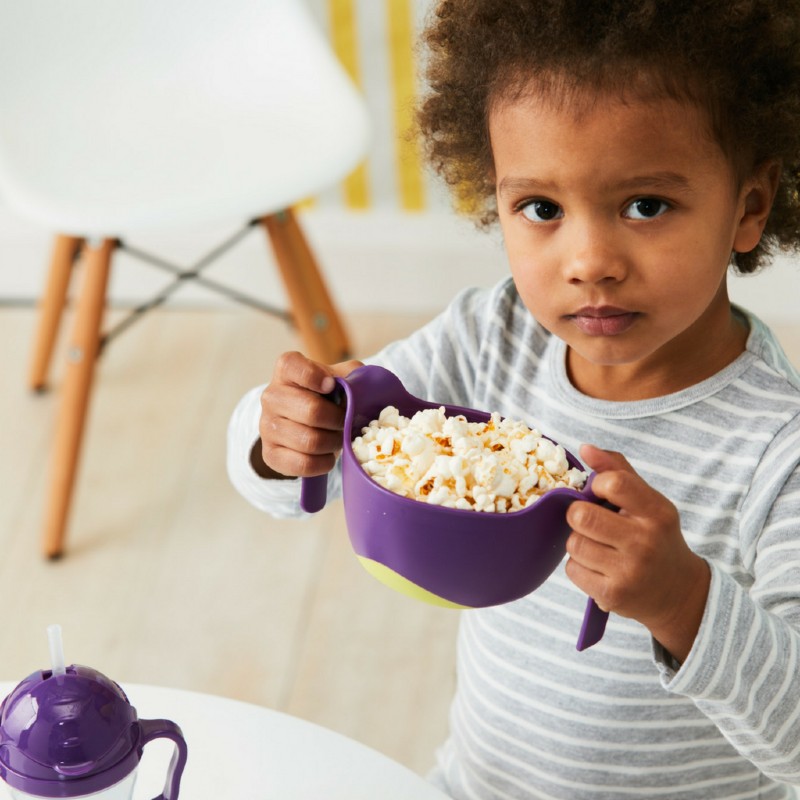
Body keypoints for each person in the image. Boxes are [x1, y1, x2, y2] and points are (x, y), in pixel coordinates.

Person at [227, 1, 800, 797]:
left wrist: (684, 601)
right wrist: (280, 435)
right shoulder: (489, 334)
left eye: (646, 206)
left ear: (748, 208)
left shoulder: (780, 450)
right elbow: (323, 441)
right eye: (541, 209)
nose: (590, 261)